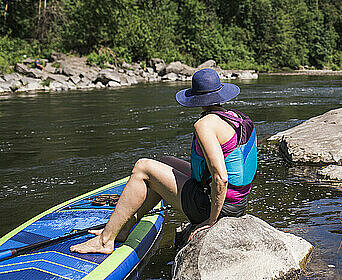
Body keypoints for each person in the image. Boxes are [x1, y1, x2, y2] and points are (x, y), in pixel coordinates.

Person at [70, 68, 257, 254]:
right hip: (237, 202)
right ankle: (124, 228)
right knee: (164, 162)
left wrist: (211, 221)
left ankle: (105, 241)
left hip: (216, 207)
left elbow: (221, 178)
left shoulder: (204, 125)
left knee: (142, 167)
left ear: (196, 98)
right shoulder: (237, 117)